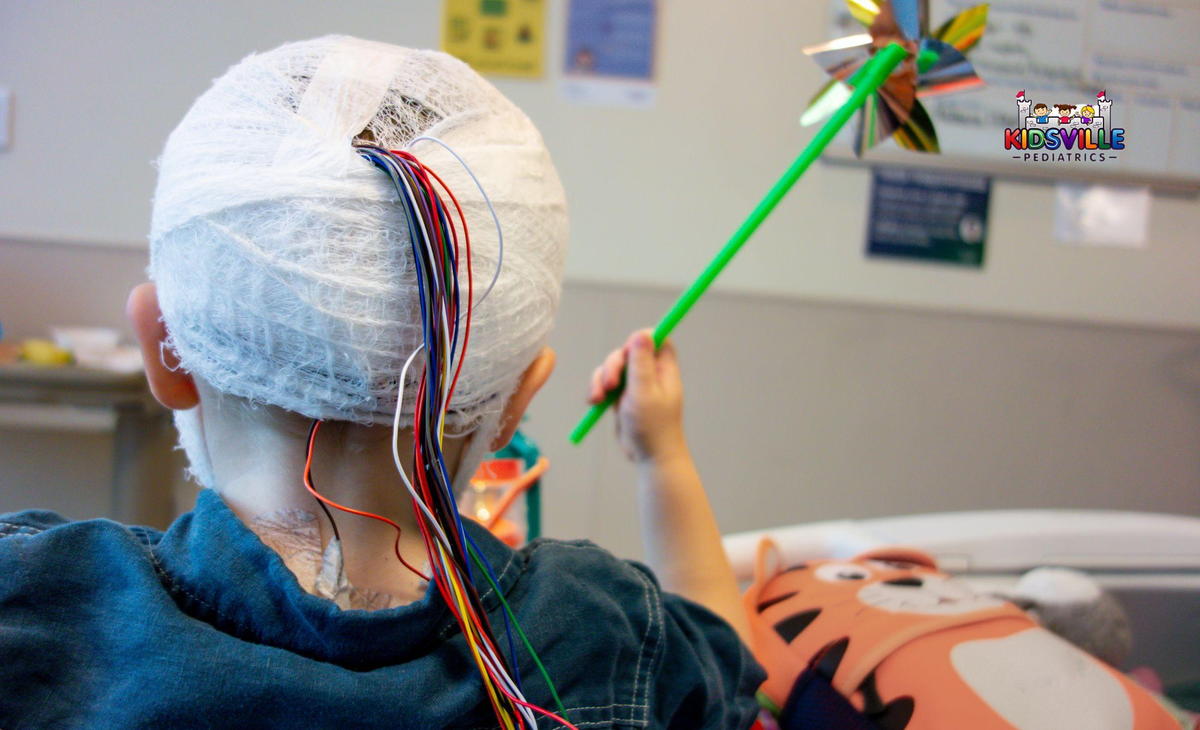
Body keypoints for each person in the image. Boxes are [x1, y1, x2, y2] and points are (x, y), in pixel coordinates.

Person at [0, 36, 763, 729]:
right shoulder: (604, 634)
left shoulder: (37, 600)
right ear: (514, 404)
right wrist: (663, 458)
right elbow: (723, 662)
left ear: (162, 349)